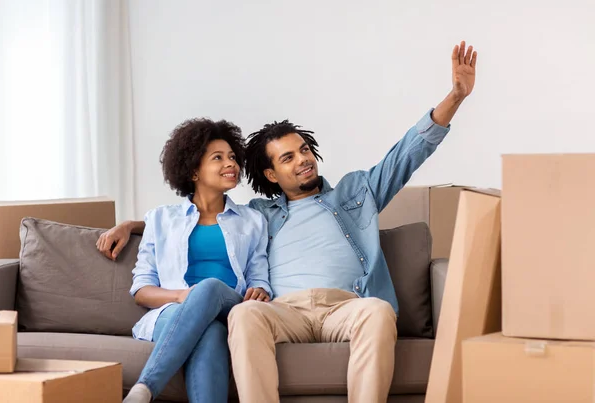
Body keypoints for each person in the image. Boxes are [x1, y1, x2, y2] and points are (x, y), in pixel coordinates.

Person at [99, 41, 477, 403]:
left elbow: (408, 152)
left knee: (378, 311)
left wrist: (456, 96)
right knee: (245, 314)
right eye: (288, 158)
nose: (303, 160)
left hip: (346, 305)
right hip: (285, 311)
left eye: (304, 150)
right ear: (272, 175)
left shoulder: (356, 193)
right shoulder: (257, 216)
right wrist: (132, 225)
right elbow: (200, 219)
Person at [106, 118, 272, 403]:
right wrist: (183, 295)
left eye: (232, 157)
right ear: (194, 170)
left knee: (209, 288)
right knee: (210, 334)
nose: (230, 164)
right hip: (172, 313)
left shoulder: (253, 220)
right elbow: (142, 291)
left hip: (231, 307)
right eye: (218, 158)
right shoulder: (160, 219)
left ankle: (144, 388)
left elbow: (258, 276)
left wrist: (261, 289)